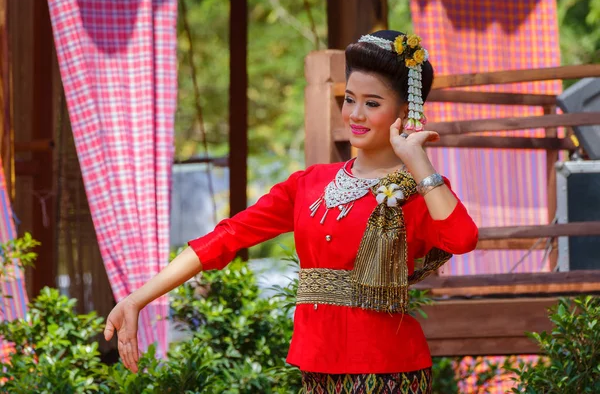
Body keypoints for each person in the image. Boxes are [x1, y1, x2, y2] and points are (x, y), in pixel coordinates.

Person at [104, 30, 478, 393]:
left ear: (404, 112)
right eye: (350, 99)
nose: (356, 114)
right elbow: (225, 237)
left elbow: (463, 238)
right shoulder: (309, 184)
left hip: (389, 373)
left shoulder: (420, 190)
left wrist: (417, 161)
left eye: (373, 103)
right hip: (316, 369)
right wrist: (138, 298)